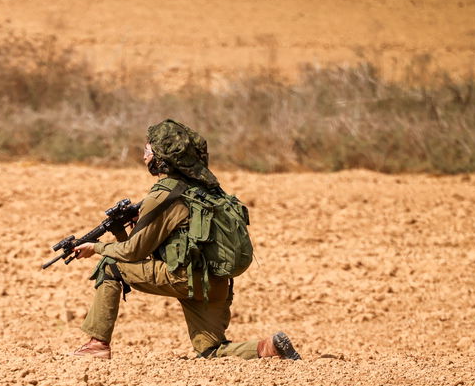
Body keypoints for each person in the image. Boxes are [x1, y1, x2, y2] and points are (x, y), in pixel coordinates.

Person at [68, 119, 301, 362]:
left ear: (162, 157)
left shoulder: (163, 195)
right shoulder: (206, 189)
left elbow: (134, 252)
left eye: (148, 151)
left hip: (184, 278)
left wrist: (96, 248)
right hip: (215, 281)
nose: (144, 156)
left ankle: (97, 345)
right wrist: (124, 230)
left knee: (109, 264)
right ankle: (268, 347)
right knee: (210, 350)